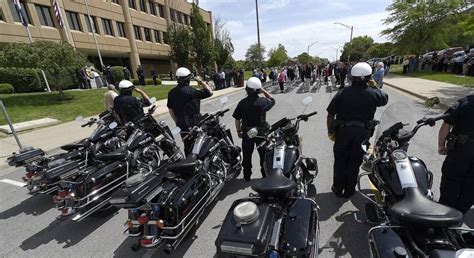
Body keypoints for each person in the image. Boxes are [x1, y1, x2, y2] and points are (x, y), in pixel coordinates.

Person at [326, 62, 388, 198]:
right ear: (368, 77)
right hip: (363, 134)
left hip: (343, 132)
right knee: (355, 161)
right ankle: (349, 190)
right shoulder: (372, 93)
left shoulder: (342, 93)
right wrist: (374, 85)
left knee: (340, 160)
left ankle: (338, 188)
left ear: (352, 76)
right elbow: (384, 99)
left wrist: (330, 131)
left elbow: (330, 114)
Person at [233, 77, 275, 182]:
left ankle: (247, 176)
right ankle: (265, 175)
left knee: (247, 154)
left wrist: (238, 131)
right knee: (263, 154)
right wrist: (263, 90)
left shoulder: (242, 102)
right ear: (258, 90)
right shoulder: (263, 101)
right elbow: (273, 100)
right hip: (260, 132)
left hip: (248, 132)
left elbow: (237, 119)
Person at [438, 94, 474, 214]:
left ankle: (444, 216)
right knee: (471, 186)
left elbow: (446, 123)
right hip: (463, 149)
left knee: (451, 180)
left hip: (462, 150)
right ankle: (458, 216)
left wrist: (441, 145)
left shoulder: (466, 102)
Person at [167, 67, 213, 155]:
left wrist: (177, 121)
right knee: (200, 145)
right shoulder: (191, 91)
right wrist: (201, 82)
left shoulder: (171, 93)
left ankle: (188, 165)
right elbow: (210, 92)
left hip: (181, 124)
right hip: (194, 123)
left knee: (187, 146)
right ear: (188, 79)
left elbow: (171, 110)